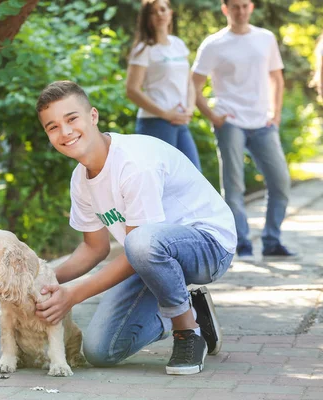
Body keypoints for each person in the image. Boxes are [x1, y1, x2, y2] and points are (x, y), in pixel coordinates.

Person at [34, 80, 237, 375]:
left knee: (142, 241)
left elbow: (139, 246)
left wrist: (74, 294)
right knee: (101, 350)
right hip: (151, 257)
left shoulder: (134, 163)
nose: (64, 132)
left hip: (208, 245)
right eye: (52, 127)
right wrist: (41, 278)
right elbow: (95, 248)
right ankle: (190, 308)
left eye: (71, 118)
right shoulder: (80, 180)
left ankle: (187, 332)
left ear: (93, 116)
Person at [191, 0, 295, 261]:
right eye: (235, 6)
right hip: (231, 123)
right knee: (234, 186)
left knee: (281, 182)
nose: (240, 11)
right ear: (225, 9)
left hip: (263, 123)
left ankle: (272, 241)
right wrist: (213, 116)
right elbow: (193, 85)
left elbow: (277, 79)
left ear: (251, 7)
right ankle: (243, 243)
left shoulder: (266, 38)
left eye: (245, 5)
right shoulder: (213, 44)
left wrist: (276, 113)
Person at [126, 0, 201, 170]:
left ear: (170, 13)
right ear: (147, 18)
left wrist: (190, 108)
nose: (159, 14)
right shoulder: (143, 49)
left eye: (163, 10)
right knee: (163, 182)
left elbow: (188, 82)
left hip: (180, 121)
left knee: (194, 176)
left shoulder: (178, 44)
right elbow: (132, 90)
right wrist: (165, 114)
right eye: (153, 12)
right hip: (155, 123)